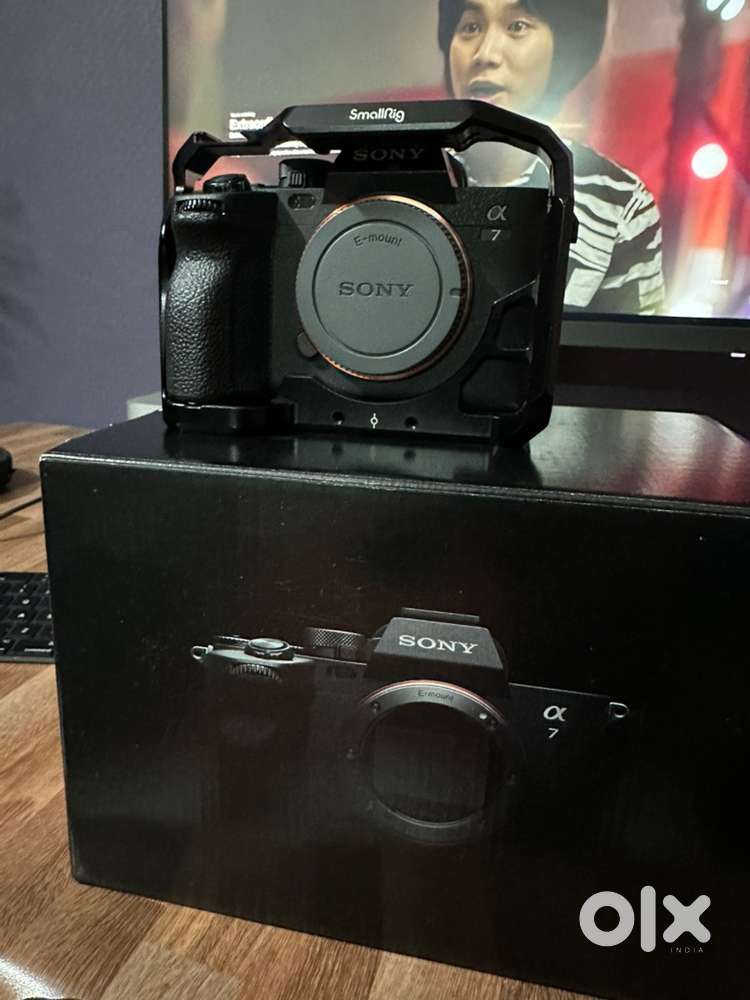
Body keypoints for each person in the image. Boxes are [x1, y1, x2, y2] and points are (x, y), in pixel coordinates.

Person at [438, 0, 666, 315]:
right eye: (470, 27)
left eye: (517, 26)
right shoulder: (397, 176)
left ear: (565, 47)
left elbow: (634, 344)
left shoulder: (620, 202)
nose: (485, 54)